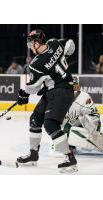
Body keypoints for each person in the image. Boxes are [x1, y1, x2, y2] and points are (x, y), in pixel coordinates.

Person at [16, 29, 77, 172]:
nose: (30, 46)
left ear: (37, 43)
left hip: (62, 91)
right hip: (56, 89)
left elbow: (32, 88)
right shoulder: (54, 43)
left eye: (31, 43)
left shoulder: (36, 64)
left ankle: (70, 158)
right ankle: (33, 154)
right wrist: (62, 59)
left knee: (51, 125)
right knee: (35, 119)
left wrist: (23, 95)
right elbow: (70, 43)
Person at [62, 79, 103, 152]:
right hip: (82, 120)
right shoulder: (65, 97)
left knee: (69, 125)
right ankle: (70, 145)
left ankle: (98, 142)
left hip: (89, 122)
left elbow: (90, 117)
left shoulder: (82, 97)